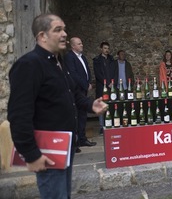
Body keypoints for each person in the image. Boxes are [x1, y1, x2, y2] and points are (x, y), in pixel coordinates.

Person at [7, 13, 108, 199]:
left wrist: (90, 104)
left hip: (64, 145)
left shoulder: (58, 62)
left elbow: (73, 94)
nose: (65, 34)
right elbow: (18, 115)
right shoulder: (29, 65)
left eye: (64, 29)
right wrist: (31, 155)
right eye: (58, 30)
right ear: (42, 36)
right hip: (47, 151)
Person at [65, 37, 96, 152]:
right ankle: (75, 143)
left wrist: (89, 82)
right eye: (79, 44)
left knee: (83, 115)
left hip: (83, 90)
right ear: (73, 46)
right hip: (76, 91)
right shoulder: (69, 57)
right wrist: (85, 84)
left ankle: (82, 139)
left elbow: (86, 71)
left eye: (81, 43)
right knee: (76, 116)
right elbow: (73, 74)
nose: (82, 45)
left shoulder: (82, 57)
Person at [93, 41, 115, 134]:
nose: (107, 50)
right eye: (105, 48)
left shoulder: (111, 59)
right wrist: (106, 83)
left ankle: (112, 123)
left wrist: (112, 82)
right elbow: (98, 74)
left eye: (108, 48)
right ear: (101, 49)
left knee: (111, 105)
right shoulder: (97, 60)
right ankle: (102, 126)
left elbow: (114, 72)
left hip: (111, 87)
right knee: (101, 105)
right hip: (102, 87)